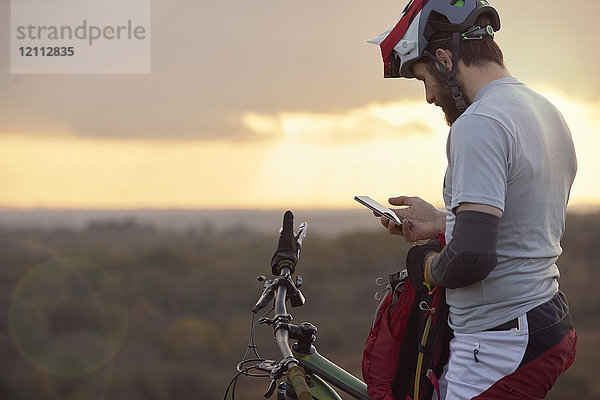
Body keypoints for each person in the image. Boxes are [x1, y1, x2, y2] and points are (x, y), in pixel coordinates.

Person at [368, 0, 577, 398]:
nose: (429, 96)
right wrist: (443, 221)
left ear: (444, 59)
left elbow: (471, 258)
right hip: (540, 316)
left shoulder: (478, 123)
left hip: (495, 345)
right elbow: (520, 223)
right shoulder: (544, 111)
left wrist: (424, 265)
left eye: (423, 77)